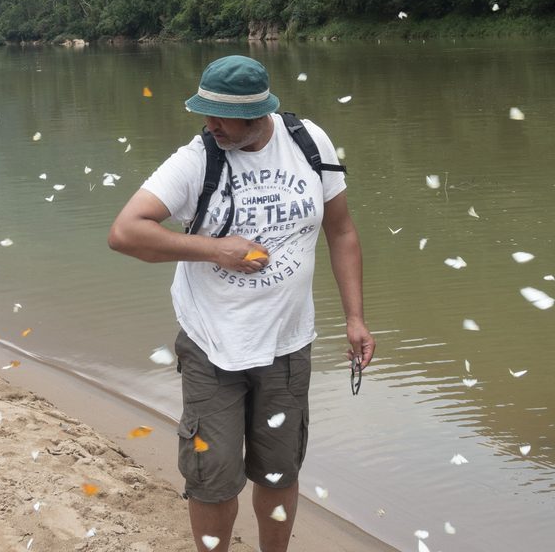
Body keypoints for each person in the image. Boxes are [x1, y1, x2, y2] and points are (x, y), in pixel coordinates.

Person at [108, 54, 374, 552]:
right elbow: (125, 233)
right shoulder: (197, 160)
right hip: (213, 346)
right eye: (203, 114)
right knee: (213, 476)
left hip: (288, 346)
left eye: (220, 118)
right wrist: (216, 249)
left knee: (278, 471)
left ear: (257, 117)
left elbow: (341, 230)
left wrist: (355, 319)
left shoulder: (307, 141)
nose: (209, 126)